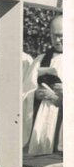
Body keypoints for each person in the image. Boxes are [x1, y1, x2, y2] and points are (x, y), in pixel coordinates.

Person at [23, 15, 63, 155]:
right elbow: (25, 90)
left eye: (62, 36)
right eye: (54, 36)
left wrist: (65, 93)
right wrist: (36, 94)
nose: (58, 40)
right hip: (43, 116)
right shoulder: (41, 59)